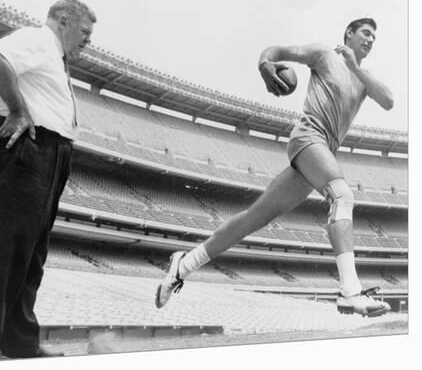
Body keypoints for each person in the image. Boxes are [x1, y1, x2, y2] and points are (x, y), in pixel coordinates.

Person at [155, 18, 393, 317]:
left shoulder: (363, 77)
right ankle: (350, 291)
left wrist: (356, 68)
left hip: (321, 152)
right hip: (309, 138)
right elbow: (277, 49)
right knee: (342, 196)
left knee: (254, 217)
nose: (370, 39)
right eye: (365, 33)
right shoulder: (324, 54)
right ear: (349, 34)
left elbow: (389, 101)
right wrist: (264, 63)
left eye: (374, 36)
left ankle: (184, 263)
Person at [0, 0, 96, 362]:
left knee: (32, 254)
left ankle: (19, 342)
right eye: (84, 32)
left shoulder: (55, 55)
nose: (88, 41)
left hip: (51, 153)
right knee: (1, 249)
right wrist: (18, 110)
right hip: (26, 146)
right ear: (63, 20)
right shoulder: (38, 38)